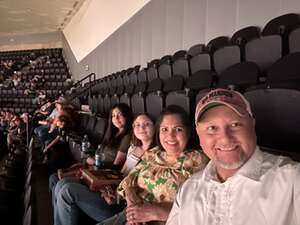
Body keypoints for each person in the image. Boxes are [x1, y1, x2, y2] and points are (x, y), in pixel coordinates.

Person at [166, 88, 300, 225]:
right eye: (212, 128)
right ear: (198, 134)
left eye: (235, 124)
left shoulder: (292, 179)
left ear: (252, 124)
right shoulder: (187, 189)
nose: (225, 139)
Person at [99, 105, 209, 225]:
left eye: (178, 129)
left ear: (188, 132)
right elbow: (129, 180)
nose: (170, 136)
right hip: (129, 214)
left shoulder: (198, 160)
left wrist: (157, 212)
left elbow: (204, 208)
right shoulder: (154, 153)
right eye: (164, 129)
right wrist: (132, 201)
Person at [50, 103, 134, 225]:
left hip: (105, 180)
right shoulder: (113, 134)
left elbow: (116, 167)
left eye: (120, 115)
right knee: (59, 182)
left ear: (127, 116)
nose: (116, 119)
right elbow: (101, 154)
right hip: (97, 172)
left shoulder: (127, 137)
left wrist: (94, 163)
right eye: (114, 115)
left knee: (66, 189)